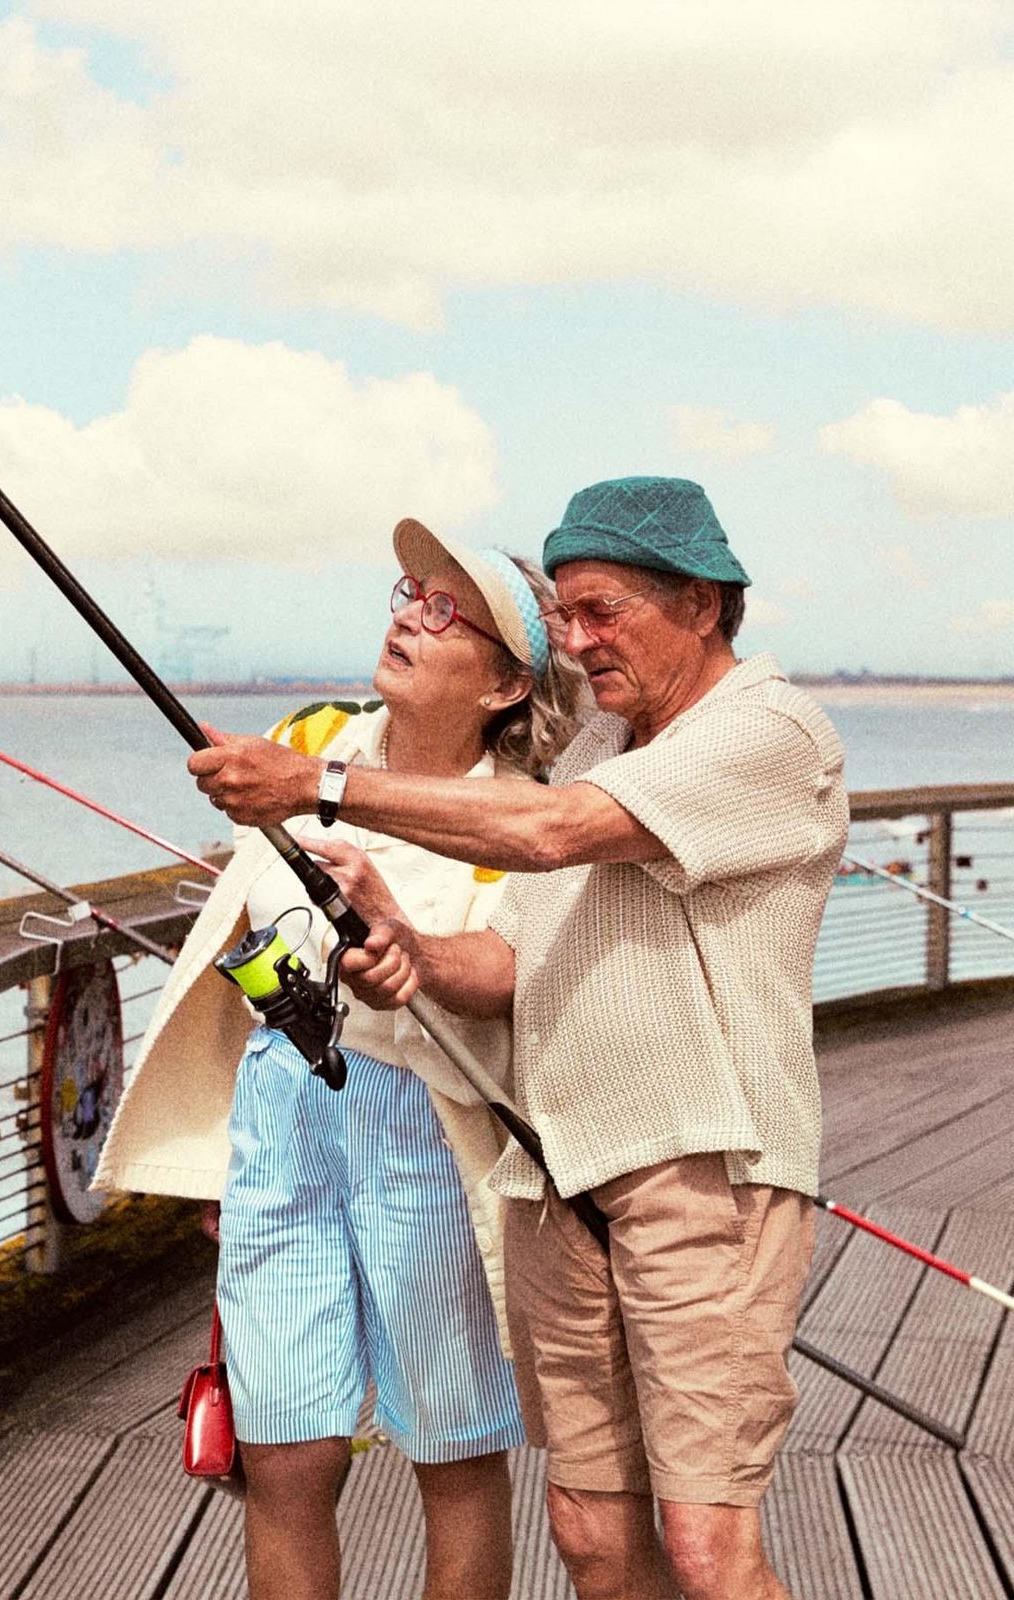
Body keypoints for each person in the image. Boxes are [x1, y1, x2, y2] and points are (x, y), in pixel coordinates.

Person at [187, 477, 848, 1600]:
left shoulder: (767, 728)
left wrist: (315, 782)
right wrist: (407, 945)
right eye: (568, 616)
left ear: (700, 602)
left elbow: (552, 832)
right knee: (590, 1533)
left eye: (600, 612)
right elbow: (506, 964)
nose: (577, 642)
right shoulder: (605, 743)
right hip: (556, 1176)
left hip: (701, 1176)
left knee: (705, 1544)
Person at [94, 519, 584, 1600]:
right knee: (283, 1449)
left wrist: (412, 952)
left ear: (506, 686)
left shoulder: (526, 812)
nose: (410, 611)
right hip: (284, 1102)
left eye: (447, 608)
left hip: (425, 1120)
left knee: (450, 1449)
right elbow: (252, 906)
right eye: (409, 589)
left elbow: (504, 967)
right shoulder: (310, 734)